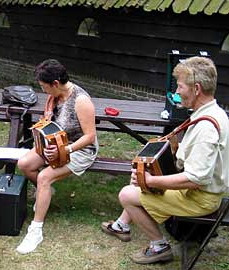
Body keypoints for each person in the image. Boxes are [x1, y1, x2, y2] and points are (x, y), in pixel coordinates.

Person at [100, 56, 229, 264]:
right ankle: (122, 224)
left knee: (127, 192)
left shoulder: (206, 127)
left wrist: (151, 181)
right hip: (201, 191)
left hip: (200, 198)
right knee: (140, 177)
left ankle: (159, 246)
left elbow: (195, 179)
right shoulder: (213, 113)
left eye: (180, 86)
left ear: (196, 89)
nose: (177, 92)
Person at [16, 59, 99, 254]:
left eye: (45, 87)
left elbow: (90, 137)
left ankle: (35, 231)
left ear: (55, 83)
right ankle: (47, 192)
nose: (44, 91)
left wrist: (66, 151)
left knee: (44, 176)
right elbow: (50, 121)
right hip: (56, 144)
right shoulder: (54, 96)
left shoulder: (80, 100)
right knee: (25, 164)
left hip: (80, 149)